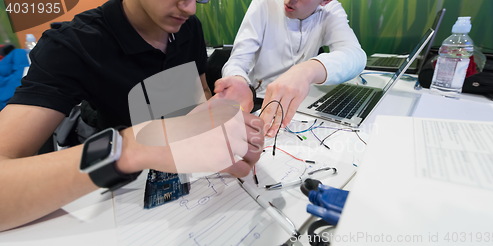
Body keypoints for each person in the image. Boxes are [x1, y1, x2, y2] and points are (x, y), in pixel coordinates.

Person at [0, 0, 264, 232]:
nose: (191, 8)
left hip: (190, 198)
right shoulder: (72, 44)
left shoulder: (188, 26)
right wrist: (131, 148)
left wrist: (217, 125)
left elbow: (201, 93)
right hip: (122, 202)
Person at [213, 0, 366, 137]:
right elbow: (238, 60)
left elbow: (355, 55)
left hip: (302, 103)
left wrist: (308, 70)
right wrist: (237, 78)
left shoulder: (330, 11)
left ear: (325, 1)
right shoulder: (264, 3)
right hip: (260, 99)